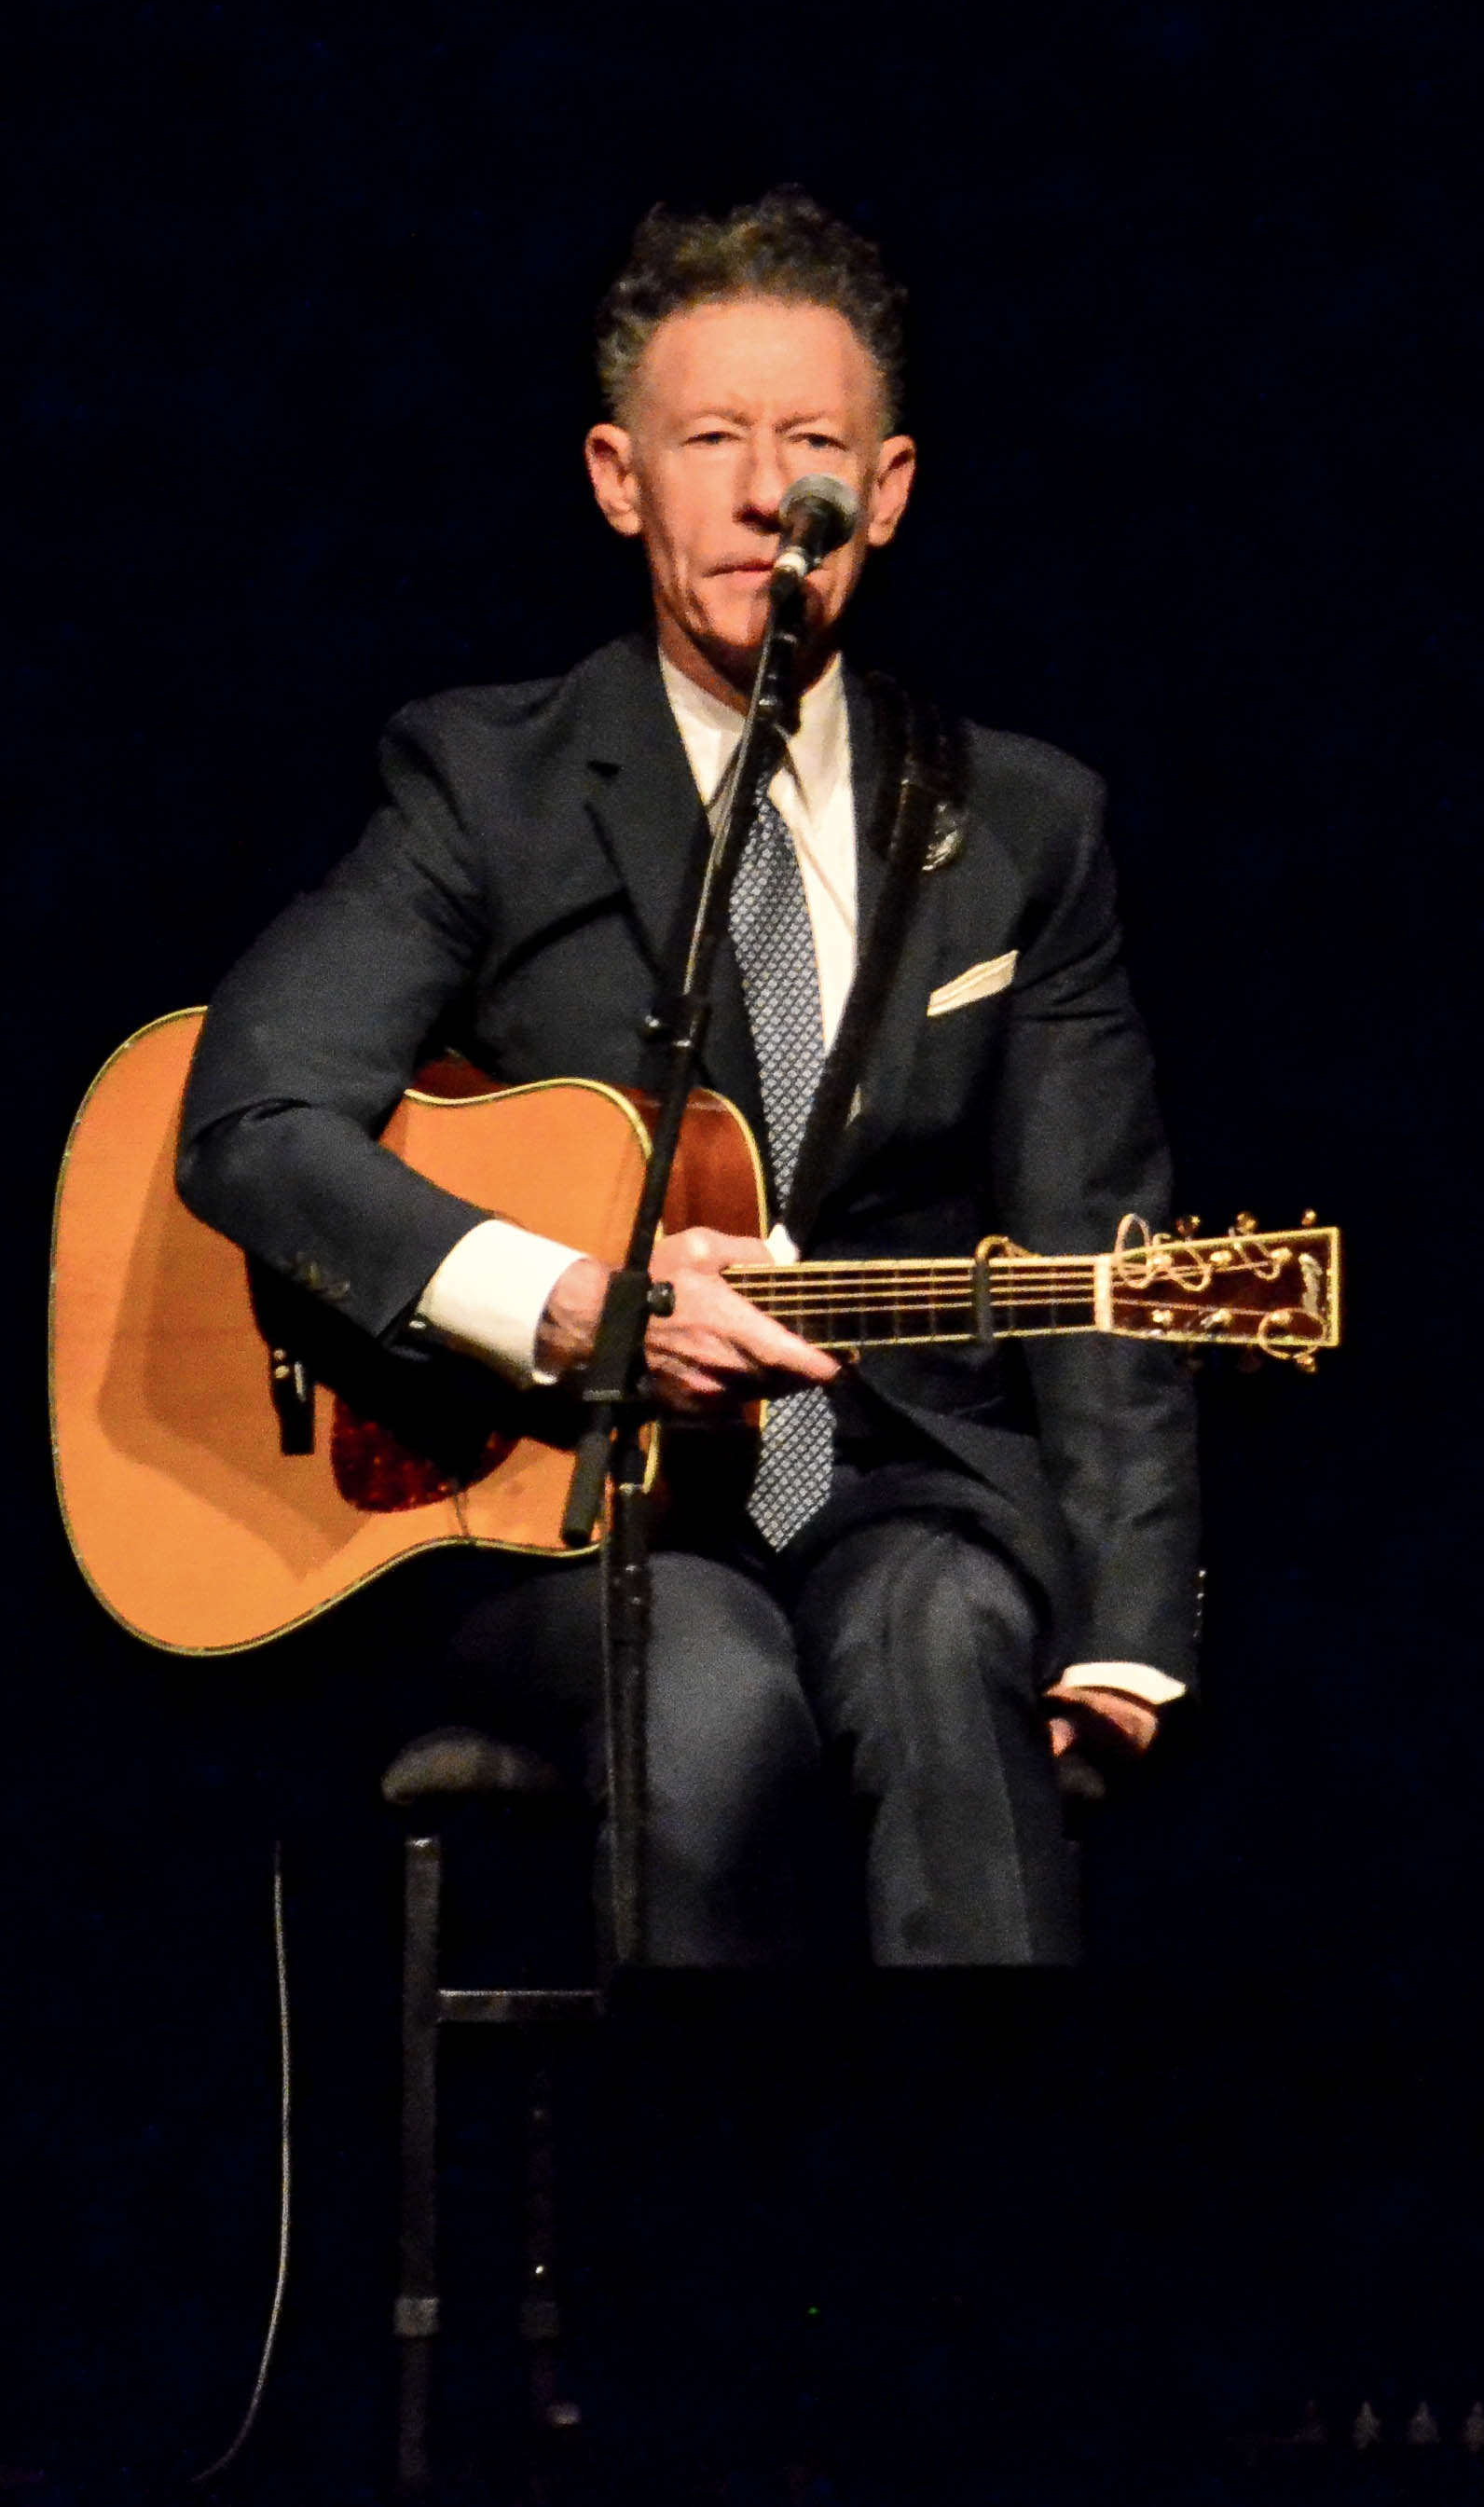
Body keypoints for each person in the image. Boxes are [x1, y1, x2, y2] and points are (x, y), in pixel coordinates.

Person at [176, 190, 1198, 1964]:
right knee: (710, 1709)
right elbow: (253, 1119)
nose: (760, 495)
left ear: (883, 489)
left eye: (810, 446)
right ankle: (700, 2227)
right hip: (576, 1515)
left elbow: (1096, 1239)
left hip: (902, 1487)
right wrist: (565, 1299)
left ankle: (979, 2219)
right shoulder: (488, 782)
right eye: (709, 440)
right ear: (614, 476)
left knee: (948, 1633)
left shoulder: (1022, 821)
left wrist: (1122, 1620)